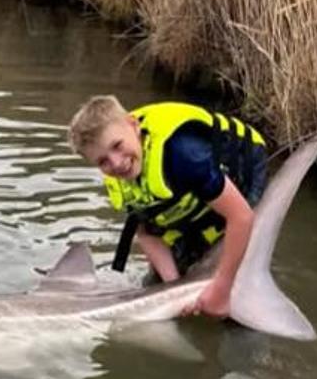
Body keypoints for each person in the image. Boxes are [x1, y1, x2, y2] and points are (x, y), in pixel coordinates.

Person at [68, 96, 268, 318]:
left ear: (134, 126)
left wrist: (222, 289)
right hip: (189, 191)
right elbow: (147, 232)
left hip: (239, 174)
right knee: (154, 284)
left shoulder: (184, 153)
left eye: (117, 146)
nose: (116, 163)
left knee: (225, 296)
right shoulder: (120, 177)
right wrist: (173, 287)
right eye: (102, 161)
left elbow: (242, 217)